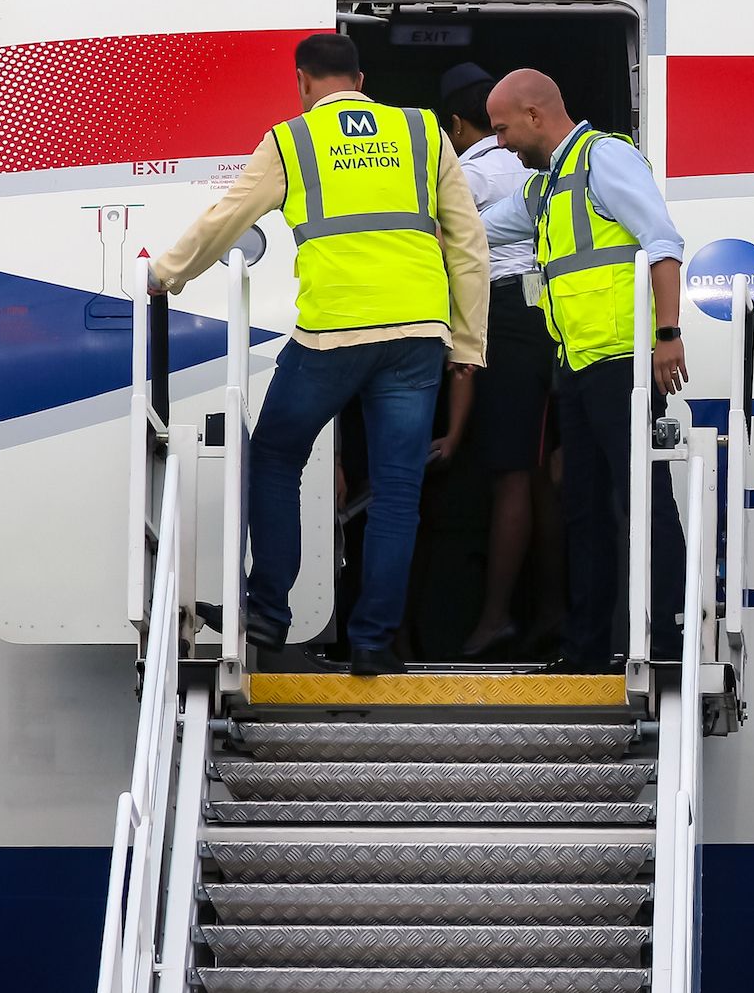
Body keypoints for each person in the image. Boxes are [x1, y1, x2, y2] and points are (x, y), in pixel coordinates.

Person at [149, 33, 490, 675]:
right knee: (397, 491)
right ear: (360, 79)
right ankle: (372, 642)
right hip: (417, 333)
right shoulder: (422, 132)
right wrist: (467, 342)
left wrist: (166, 275)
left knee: (275, 455)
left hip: (333, 332)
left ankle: (269, 612)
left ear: (303, 82)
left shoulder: (292, 140)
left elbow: (224, 219)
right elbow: (467, 242)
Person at [481, 69, 686, 671]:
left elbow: (662, 241)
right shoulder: (544, 189)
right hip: (575, 367)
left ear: (535, 116)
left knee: (641, 502)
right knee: (584, 509)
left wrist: (667, 335)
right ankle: (587, 648)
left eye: (502, 129)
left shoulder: (606, 159)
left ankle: (668, 637)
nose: (500, 144)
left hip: (622, 362)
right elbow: (474, 232)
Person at [438, 62, 565, 658]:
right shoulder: (543, 162)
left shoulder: (468, 173)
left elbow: (448, 247)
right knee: (544, 476)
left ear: (458, 125)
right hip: (551, 317)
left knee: (512, 473)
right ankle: (550, 611)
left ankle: (496, 617)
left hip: (509, 321)